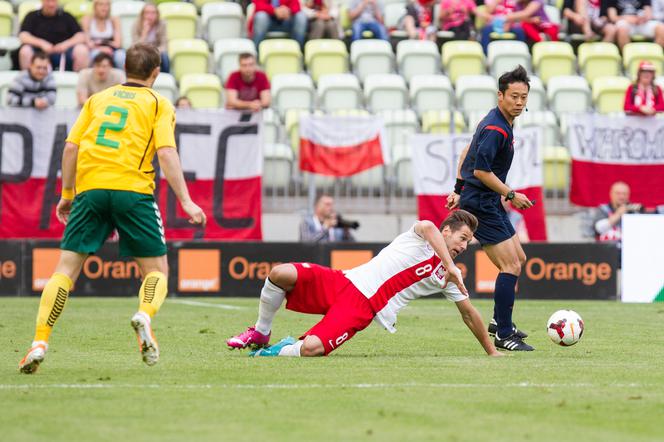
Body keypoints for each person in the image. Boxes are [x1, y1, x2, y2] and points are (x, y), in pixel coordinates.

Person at [18, 43, 207, 374]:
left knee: (64, 270)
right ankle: (144, 315)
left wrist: (66, 193)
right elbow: (165, 153)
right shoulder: (158, 103)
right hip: (132, 191)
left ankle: (39, 342)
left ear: (125, 69)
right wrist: (186, 200)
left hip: (90, 191)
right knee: (156, 271)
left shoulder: (97, 99)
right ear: (155, 72)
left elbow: (71, 147)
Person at [227, 211, 503, 358]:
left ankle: (272, 351)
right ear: (447, 232)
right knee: (281, 273)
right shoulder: (422, 237)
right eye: (463, 238)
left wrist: (491, 352)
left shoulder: (447, 276)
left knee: (311, 349)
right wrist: (452, 266)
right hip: (344, 280)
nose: (465, 246)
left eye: (468, 242)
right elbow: (428, 226)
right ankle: (261, 332)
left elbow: (468, 313)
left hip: (363, 307)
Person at [446, 65, 534, 352]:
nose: (519, 103)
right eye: (514, 97)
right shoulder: (496, 128)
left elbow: (465, 153)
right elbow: (482, 171)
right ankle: (503, 334)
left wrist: (458, 190)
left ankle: (499, 322)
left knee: (517, 258)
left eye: (523, 97)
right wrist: (511, 194)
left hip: (484, 199)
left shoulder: (499, 120)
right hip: (483, 203)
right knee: (511, 265)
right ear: (501, 95)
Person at [18, 0, 89, 71]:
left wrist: (66, 44)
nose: (51, 4)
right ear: (42, 1)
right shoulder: (32, 16)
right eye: (48, 1)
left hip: (64, 53)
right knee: (25, 50)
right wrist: (41, 43)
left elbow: (80, 36)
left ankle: (79, 79)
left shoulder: (67, 16)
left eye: (53, 1)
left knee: (82, 50)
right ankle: (27, 79)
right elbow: (23, 36)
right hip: (38, 53)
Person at [81, 0, 125, 69]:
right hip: (94, 49)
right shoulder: (87, 19)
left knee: (121, 56)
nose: (104, 8)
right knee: (95, 55)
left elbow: (118, 43)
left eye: (107, 5)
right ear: (95, 6)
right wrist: (101, 48)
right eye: (101, 4)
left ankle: (122, 78)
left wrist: (107, 46)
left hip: (112, 49)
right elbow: (88, 42)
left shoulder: (114, 20)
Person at [132, 3, 169, 73]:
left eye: (153, 13)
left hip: (157, 53)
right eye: (147, 13)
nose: (150, 16)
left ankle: (166, 76)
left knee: (164, 56)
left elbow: (164, 45)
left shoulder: (162, 24)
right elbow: (135, 47)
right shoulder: (136, 24)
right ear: (142, 14)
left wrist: (153, 52)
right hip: (141, 53)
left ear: (157, 14)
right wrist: (144, 33)